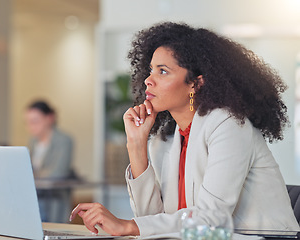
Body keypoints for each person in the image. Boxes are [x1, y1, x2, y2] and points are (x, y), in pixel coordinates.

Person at [70, 22, 300, 237]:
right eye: (151, 70)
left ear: (196, 83)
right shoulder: (166, 137)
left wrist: (127, 225)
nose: (148, 80)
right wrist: (137, 144)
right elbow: (151, 222)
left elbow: (212, 219)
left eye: (163, 71)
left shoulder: (229, 125)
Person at [25, 100, 75, 223]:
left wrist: (33, 175)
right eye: (28, 123)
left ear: (49, 118)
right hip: (33, 192)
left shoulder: (64, 141)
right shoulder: (32, 142)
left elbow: (58, 172)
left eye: (35, 121)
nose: (31, 126)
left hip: (51, 196)